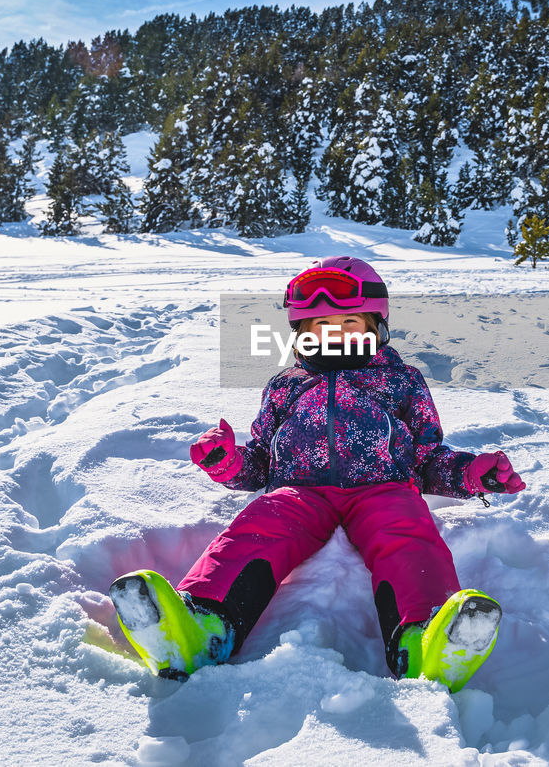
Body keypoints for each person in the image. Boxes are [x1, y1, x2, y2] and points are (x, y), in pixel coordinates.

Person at [109, 256, 525, 691]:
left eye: (349, 324)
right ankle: (203, 625)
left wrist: (474, 474)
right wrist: (228, 462)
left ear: (377, 326)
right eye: (320, 326)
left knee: (407, 533)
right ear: (301, 334)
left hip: (383, 489)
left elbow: (427, 457)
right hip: (300, 491)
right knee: (257, 527)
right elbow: (261, 462)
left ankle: (424, 639)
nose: (335, 336)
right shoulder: (285, 385)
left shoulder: (402, 381)